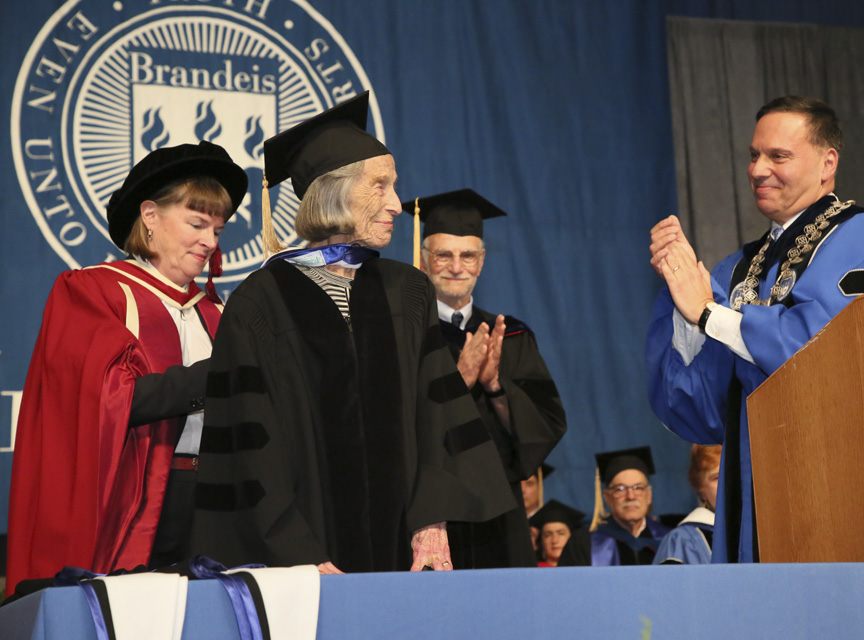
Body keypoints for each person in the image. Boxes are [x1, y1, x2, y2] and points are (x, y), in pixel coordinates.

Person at [187, 93, 516, 574]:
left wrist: (430, 522)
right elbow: (249, 451)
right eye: (379, 186)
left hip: (405, 553)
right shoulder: (261, 302)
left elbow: (437, 416)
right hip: (306, 561)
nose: (396, 205)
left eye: (394, 186)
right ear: (333, 192)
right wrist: (300, 555)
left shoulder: (408, 292)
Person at [646, 95, 864, 563]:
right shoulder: (740, 269)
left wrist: (711, 315)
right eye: (754, 155)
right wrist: (682, 293)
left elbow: (826, 347)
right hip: (750, 495)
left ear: (826, 162)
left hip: (840, 481)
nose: (758, 169)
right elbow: (699, 407)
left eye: (778, 156)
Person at [6, 141, 248, 596]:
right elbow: (111, 399)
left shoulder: (218, 313)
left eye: (218, 228)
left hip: (214, 503)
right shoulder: (95, 292)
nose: (211, 242)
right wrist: (221, 374)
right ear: (151, 217)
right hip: (129, 502)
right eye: (197, 223)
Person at [406, 189, 567, 569]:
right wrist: (457, 382)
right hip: (430, 514)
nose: (456, 267)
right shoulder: (405, 336)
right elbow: (389, 425)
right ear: (424, 261)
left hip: (501, 516)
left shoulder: (510, 336)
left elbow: (545, 428)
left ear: (481, 262)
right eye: (444, 254)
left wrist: (496, 387)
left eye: (468, 256)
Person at [557, 446, 671, 566]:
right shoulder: (584, 542)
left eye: (638, 488)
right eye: (620, 489)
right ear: (607, 497)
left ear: (649, 495)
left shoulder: (668, 540)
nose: (630, 496)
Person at [654, 444, 721, 565]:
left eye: (732, 476)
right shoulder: (681, 541)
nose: (726, 485)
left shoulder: (758, 532)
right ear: (701, 489)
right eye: (716, 478)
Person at [528, 500, 585, 567]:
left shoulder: (583, 570)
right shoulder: (533, 571)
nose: (554, 540)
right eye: (548, 535)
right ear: (542, 541)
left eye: (561, 533)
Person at [522, 463, 554, 551]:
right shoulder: (505, 524)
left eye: (529, 484)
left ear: (540, 489)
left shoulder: (550, 522)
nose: (522, 490)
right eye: (518, 486)